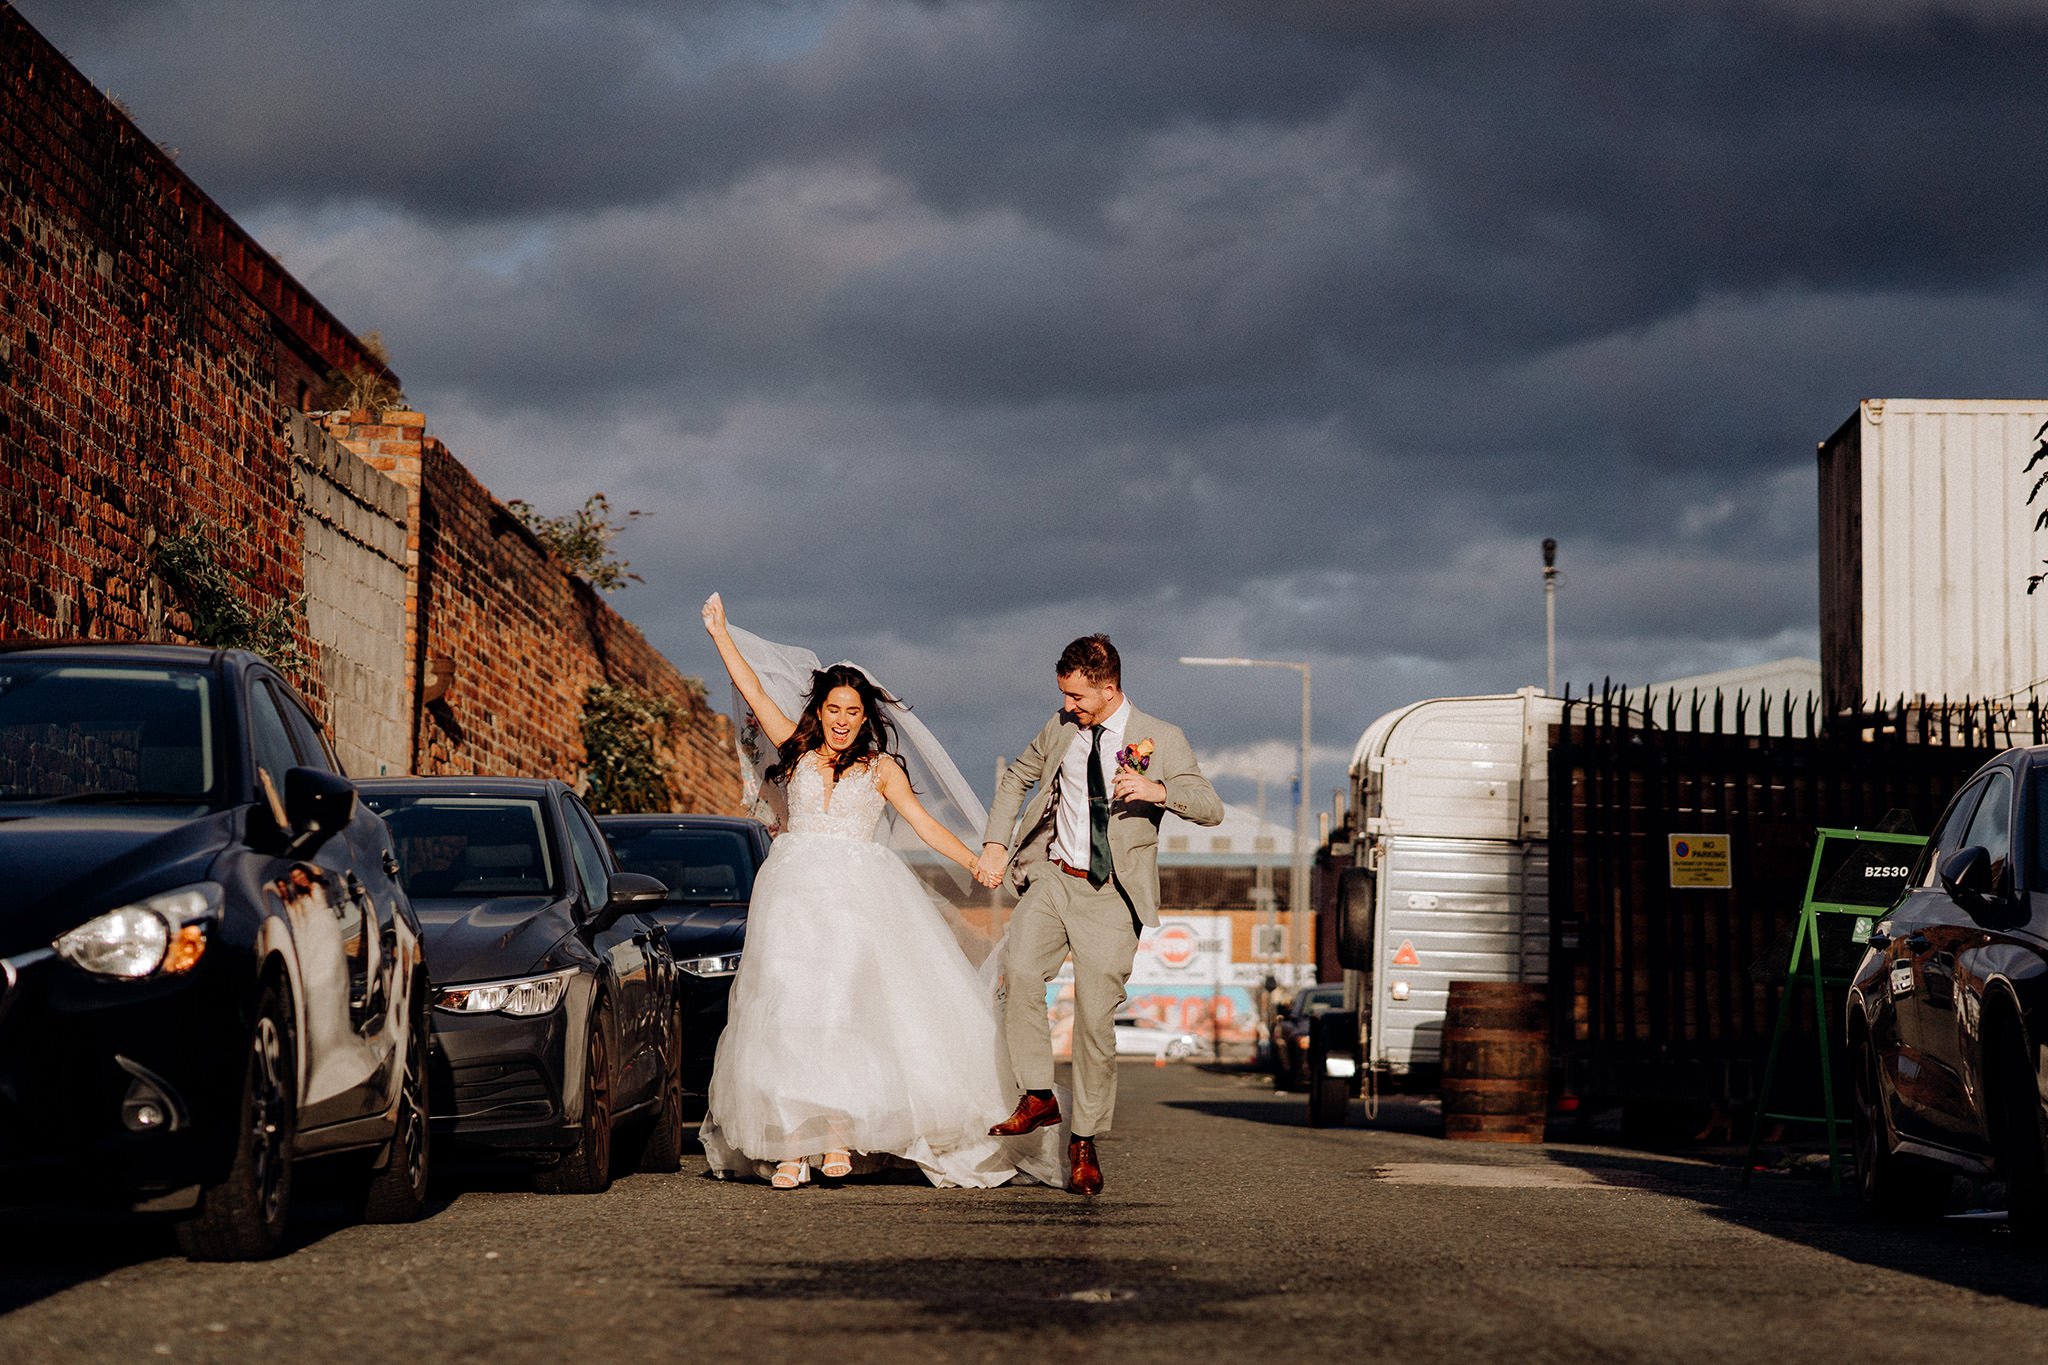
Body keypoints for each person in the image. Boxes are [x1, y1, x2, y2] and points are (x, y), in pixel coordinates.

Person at [696, 593, 1057, 1189]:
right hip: (791, 894)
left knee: (839, 1007)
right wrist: (720, 636)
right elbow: (756, 692)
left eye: (853, 711)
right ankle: (792, 1145)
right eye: (834, 708)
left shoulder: (882, 768)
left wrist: (975, 860)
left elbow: (925, 825)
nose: (842, 719)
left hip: (856, 898)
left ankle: (836, 1132)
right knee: (786, 1009)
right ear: (822, 710)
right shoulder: (797, 750)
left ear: (866, 716)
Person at [977, 634, 1223, 1196]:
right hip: (1053, 876)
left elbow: (1210, 807)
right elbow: (1018, 777)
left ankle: (1083, 1140)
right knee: (1018, 977)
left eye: (1077, 697)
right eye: (1063, 695)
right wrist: (997, 842)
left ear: (1109, 689)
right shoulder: (1060, 727)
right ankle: (1037, 1095)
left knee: (1093, 1018)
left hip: (1113, 896)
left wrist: (1158, 789)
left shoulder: (1163, 737)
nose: (1068, 706)